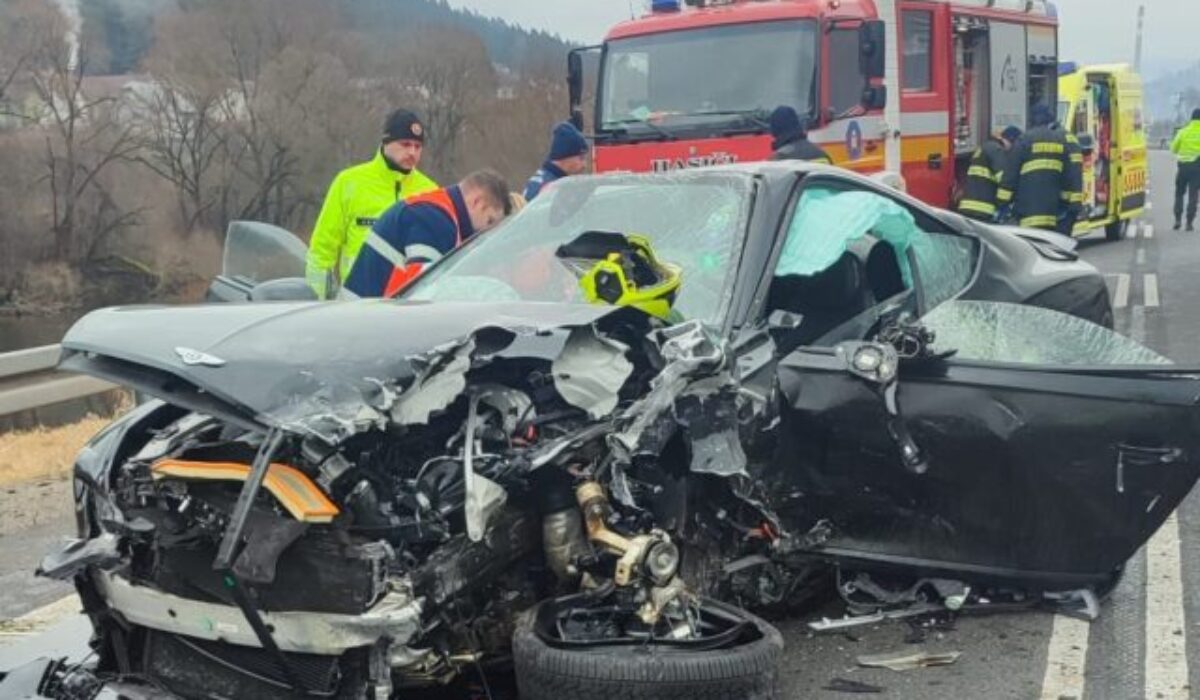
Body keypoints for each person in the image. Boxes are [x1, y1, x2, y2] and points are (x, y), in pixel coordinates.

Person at [306, 109, 439, 298]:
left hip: (411, 310)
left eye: (418, 146)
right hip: (358, 307)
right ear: (386, 142)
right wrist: (318, 303)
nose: (412, 152)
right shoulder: (349, 183)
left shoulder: (431, 191)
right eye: (405, 144)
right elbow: (322, 251)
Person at [342, 169, 513, 298]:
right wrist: (490, 290)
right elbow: (423, 289)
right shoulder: (435, 218)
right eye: (489, 221)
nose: (485, 233)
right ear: (477, 202)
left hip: (361, 315)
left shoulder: (433, 211)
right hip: (366, 323)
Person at [997, 105, 1083, 234]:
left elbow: (1010, 175)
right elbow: (1069, 177)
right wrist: (1065, 204)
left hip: (1027, 214)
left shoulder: (1024, 140)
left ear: (1032, 120)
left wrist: (1002, 203)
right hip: (1052, 214)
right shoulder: (1061, 141)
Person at [958, 125, 1022, 222]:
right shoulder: (997, 150)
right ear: (1011, 140)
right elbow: (1004, 179)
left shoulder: (985, 148)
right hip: (982, 209)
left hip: (968, 206)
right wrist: (1003, 203)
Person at [524, 122, 590, 201]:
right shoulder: (550, 188)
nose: (584, 165)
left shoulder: (546, 179)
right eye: (581, 158)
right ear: (566, 156)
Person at [1171, 108, 1200, 231]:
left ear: (1191, 118)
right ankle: (1189, 222)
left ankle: (1177, 219)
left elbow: (1173, 148)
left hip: (1182, 167)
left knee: (1179, 194)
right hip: (1197, 168)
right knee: (1193, 195)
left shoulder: (1183, 132)